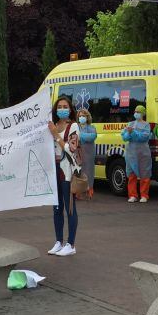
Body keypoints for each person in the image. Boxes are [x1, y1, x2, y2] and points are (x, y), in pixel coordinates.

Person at [47, 96, 79, 256]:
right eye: (59, 106)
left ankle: (71, 244)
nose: (62, 109)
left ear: (70, 108)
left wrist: (56, 135)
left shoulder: (73, 126)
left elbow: (72, 148)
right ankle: (58, 241)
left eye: (65, 106)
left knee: (70, 208)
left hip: (67, 172)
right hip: (54, 171)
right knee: (57, 207)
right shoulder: (52, 125)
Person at [121, 104, 152, 203]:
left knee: (145, 174)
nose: (136, 113)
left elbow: (144, 137)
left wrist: (133, 133)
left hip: (143, 153)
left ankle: (144, 195)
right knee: (131, 174)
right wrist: (129, 133)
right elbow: (125, 137)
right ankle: (133, 195)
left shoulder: (146, 125)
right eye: (135, 112)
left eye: (138, 112)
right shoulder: (130, 124)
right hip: (131, 153)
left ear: (143, 113)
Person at [75, 108, 97, 198]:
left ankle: (90, 190)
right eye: (80, 116)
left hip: (89, 153)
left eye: (83, 116)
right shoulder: (76, 127)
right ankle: (78, 192)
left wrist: (80, 136)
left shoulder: (92, 128)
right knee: (78, 171)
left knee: (89, 171)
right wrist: (81, 137)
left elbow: (92, 136)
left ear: (87, 117)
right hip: (78, 153)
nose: (81, 117)